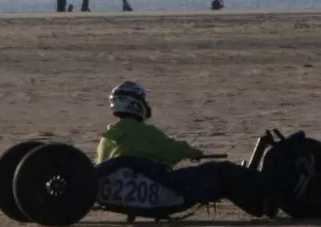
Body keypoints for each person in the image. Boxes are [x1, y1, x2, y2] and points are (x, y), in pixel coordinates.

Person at [97, 81, 275, 217]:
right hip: (161, 192)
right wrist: (193, 152)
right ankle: (266, 198)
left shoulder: (106, 138)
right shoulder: (143, 131)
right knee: (223, 171)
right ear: (136, 104)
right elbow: (171, 150)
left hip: (125, 198)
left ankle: (260, 204)